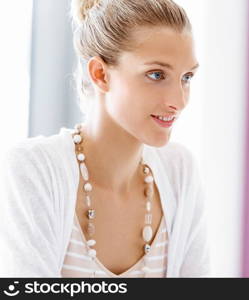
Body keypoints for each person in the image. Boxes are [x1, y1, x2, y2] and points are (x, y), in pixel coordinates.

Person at [0, 0, 211, 278]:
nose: (178, 101)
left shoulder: (179, 171)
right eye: (156, 75)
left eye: (186, 77)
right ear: (100, 74)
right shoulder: (35, 169)